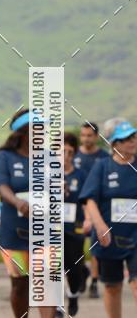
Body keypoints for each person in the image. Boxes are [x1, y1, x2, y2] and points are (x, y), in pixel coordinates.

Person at [0, 109, 58, 318]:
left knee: (46, 276)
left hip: (44, 230)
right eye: (37, 127)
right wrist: (18, 202)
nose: (42, 132)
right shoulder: (5, 157)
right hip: (13, 231)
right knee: (20, 284)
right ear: (23, 132)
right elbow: (0, 185)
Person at [79, 121, 137, 318]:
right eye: (125, 139)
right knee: (112, 287)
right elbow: (89, 198)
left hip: (135, 235)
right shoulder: (102, 166)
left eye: (133, 137)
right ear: (114, 144)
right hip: (110, 236)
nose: (132, 142)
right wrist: (99, 224)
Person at [74, 122, 108, 298]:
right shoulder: (74, 155)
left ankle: (94, 281)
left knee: (95, 246)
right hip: (76, 208)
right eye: (83, 135)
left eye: (89, 135)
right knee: (75, 246)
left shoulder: (103, 158)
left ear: (96, 137)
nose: (86, 138)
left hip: (95, 208)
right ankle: (82, 273)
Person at [62, 132, 86, 318]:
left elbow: (88, 201)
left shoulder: (81, 175)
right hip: (52, 227)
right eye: (62, 151)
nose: (66, 155)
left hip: (75, 226)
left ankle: (73, 294)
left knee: (73, 267)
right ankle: (55, 306)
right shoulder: (47, 175)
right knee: (54, 266)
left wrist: (88, 220)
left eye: (70, 152)